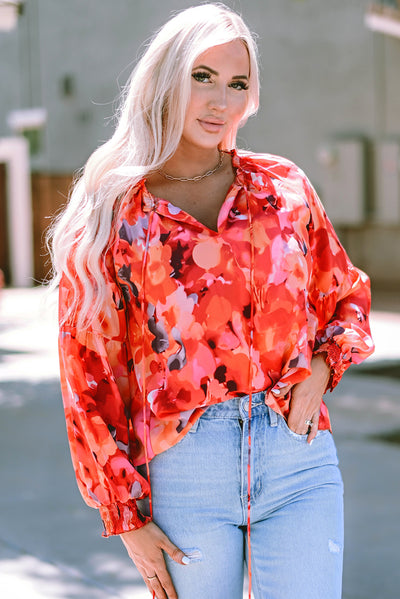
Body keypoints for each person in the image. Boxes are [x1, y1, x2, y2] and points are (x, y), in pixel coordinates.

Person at [50, 4, 374, 599]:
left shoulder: (284, 189)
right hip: (182, 471)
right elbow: (88, 375)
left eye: (237, 83)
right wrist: (128, 517)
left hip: (295, 457)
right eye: (202, 76)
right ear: (167, 77)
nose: (219, 100)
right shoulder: (115, 212)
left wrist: (320, 371)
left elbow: (346, 294)